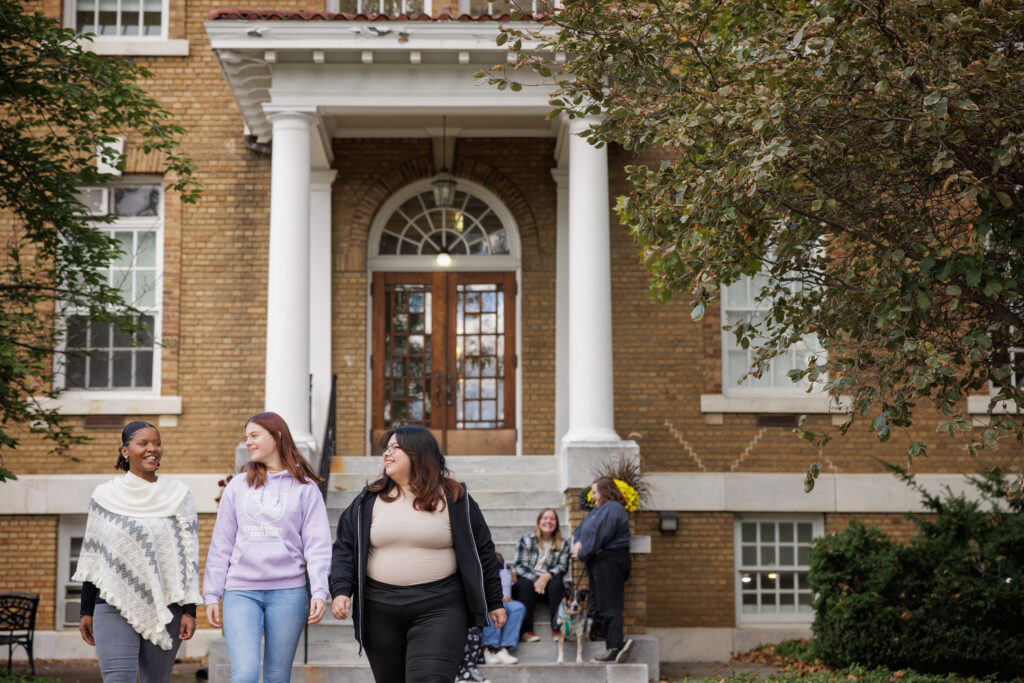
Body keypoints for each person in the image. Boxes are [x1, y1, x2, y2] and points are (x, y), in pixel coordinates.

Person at [329, 425, 506, 683]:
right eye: (386, 449)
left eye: (394, 448)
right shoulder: (368, 499)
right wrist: (341, 590)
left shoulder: (455, 498)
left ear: (418, 453)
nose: (386, 455)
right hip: (380, 610)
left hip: (441, 607)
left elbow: (483, 552)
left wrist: (494, 600)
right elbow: (345, 547)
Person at [203, 412, 332, 683]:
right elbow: (221, 544)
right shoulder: (237, 487)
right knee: (245, 674)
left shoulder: (305, 489)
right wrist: (212, 594)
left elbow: (317, 545)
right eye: (246, 437)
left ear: (278, 436)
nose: (248, 443)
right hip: (241, 592)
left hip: (288, 593)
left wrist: (320, 589)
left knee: (277, 676)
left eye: (254, 435)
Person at [74, 421, 201, 683]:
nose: (152, 449)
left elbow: (190, 557)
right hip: (112, 603)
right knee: (117, 679)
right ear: (125, 451)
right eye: (143, 443)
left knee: (155, 680)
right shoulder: (105, 496)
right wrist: (85, 610)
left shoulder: (178, 495)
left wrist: (190, 610)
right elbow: (93, 557)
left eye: (157, 443)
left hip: (167, 606)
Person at [572, 476, 633, 664]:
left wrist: (582, 553)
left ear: (605, 492)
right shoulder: (596, 511)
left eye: (595, 491)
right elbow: (580, 529)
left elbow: (600, 536)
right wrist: (579, 542)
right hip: (598, 562)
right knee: (595, 607)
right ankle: (614, 644)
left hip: (611, 561)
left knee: (608, 605)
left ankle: (615, 647)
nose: (593, 495)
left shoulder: (613, 508)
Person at [511, 507, 570, 642]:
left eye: (552, 519)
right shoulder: (526, 540)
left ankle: (558, 630)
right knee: (524, 584)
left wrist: (547, 576)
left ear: (556, 523)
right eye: (545, 518)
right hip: (529, 584)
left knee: (557, 584)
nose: (548, 521)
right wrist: (536, 579)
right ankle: (527, 631)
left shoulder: (563, 544)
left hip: (549, 585)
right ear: (539, 522)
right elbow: (519, 565)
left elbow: (562, 566)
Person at [481, 553, 524, 664]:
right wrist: (496, 595)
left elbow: (502, 580)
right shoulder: (475, 555)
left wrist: (513, 580)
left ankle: (503, 649)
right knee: (495, 605)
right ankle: (489, 648)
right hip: (485, 598)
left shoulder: (498, 557)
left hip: (500, 597)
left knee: (518, 607)